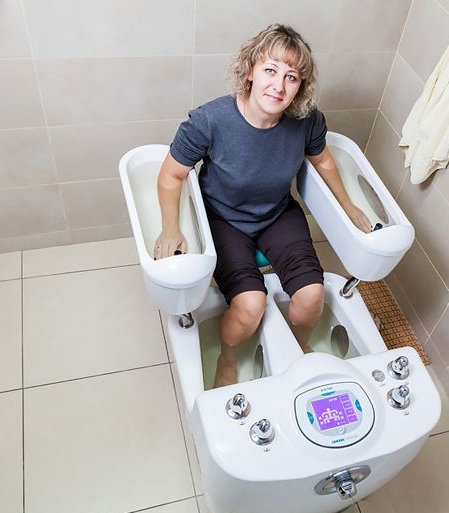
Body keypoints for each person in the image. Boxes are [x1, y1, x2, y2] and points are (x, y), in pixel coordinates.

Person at [153, 23, 371, 388]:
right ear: (250, 70)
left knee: (312, 294)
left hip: (277, 213)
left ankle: (296, 348)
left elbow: (324, 162)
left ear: (300, 86)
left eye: (291, 77)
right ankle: (228, 357)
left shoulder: (307, 121)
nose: (279, 86)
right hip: (223, 219)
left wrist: (348, 206)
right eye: (271, 70)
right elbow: (171, 175)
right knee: (250, 304)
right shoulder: (209, 121)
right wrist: (171, 227)